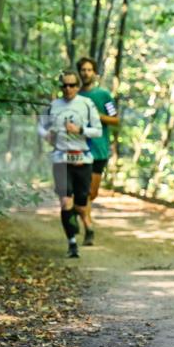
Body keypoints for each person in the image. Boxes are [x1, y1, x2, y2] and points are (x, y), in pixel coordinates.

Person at [38, 69, 103, 258]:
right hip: (61, 159)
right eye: (64, 85)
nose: (68, 89)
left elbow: (98, 131)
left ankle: (86, 227)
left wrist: (80, 130)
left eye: (72, 85)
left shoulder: (87, 104)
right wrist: (46, 135)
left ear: (77, 86)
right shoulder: (53, 106)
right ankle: (72, 243)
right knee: (65, 201)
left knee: (81, 205)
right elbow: (40, 126)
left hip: (83, 158)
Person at [76, 57, 119, 246]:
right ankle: (89, 228)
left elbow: (115, 119)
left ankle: (80, 213)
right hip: (79, 150)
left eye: (89, 70)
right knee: (82, 192)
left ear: (94, 73)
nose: (86, 73)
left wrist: (97, 116)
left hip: (99, 150)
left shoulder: (104, 95)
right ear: (79, 73)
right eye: (83, 70)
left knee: (91, 194)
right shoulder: (74, 95)